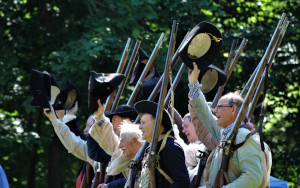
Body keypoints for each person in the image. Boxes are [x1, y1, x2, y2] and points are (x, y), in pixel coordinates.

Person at [187, 62, 271, 187]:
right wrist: (193, 83)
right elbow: (205, 113)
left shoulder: (243, 137)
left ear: (233, 110)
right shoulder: (226, 134)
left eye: (220, 107)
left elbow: (253, 177)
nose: (215, 111)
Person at [43, 102, 111, 188]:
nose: (86, 130)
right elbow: (73, 143)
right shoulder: (93, 152)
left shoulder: (118, 149)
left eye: (90, 126)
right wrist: (53, 118)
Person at [88, 100, 143, 188]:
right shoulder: (123, 146)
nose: (112, 124)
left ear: (127, 121)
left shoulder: (143, 144)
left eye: (115, 120)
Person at [134, 100, 190, 187]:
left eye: (143, 123)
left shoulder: (170, 147)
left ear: (158, 123)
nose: (140, 127)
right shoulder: (155, 148)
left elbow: (182, 182)